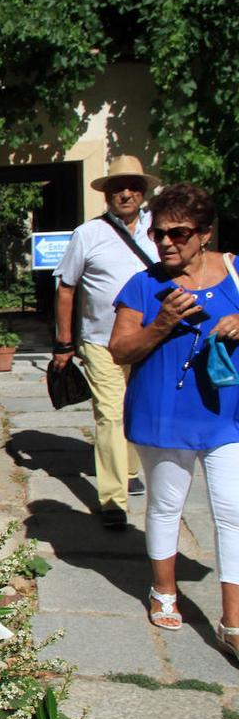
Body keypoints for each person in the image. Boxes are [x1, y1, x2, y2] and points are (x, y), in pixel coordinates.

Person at [108, 183, 239, 662]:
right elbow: (120, 349)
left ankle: (233, 621)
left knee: (233, 512)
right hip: (162, 409)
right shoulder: (143, 285)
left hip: (227, 412)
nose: (165, 242)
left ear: (204, 233)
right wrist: (161, 323)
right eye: (158, 232)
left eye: (177, 233)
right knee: (166, 504)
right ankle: (164, 590)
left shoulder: (235, 271)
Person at [52, 155, 159, 527]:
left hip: (151, 339)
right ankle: (113, 499)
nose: (125, 193)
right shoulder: (88, 234)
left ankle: (129, 469)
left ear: (143, 192)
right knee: (110, 415)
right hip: (101, 340)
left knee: (136, 408)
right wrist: (64, 343)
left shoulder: (159, 231)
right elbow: (66, 288)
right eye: (117, 187)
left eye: (132, 186)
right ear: (107, 194)